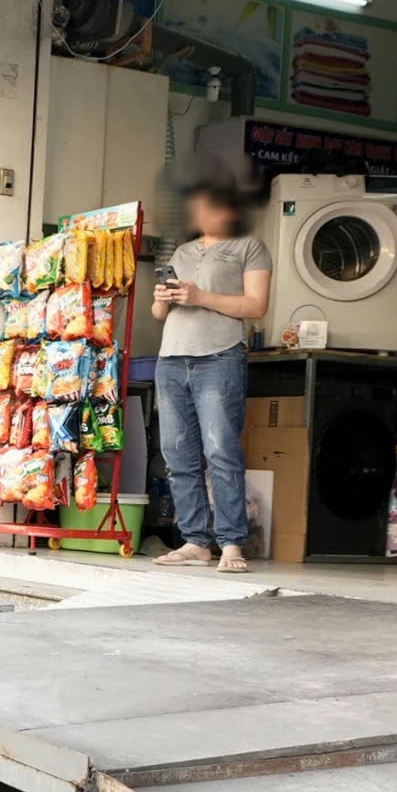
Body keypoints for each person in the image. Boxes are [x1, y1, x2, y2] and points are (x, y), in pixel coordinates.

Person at [152, 176, 272, 574]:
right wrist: (161, 300)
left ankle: (232, 543)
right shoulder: (183, 251)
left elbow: (257, 306)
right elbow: (160, 316)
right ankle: (195, 541)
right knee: (176, 454)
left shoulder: (249, 247)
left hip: (218, 358)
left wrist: (200, 296)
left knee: (221, 451)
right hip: (171, 358)